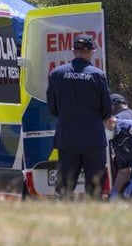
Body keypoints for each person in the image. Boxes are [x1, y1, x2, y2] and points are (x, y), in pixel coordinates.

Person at [46, 34, 114, 200]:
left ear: (73, 51)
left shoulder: (56, 74)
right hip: (93, 138)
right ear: (92, 52)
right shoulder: (98, 75)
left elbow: (52, 107)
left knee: (64, 185)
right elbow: (106, 110)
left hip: (67, 137)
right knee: (95, 186)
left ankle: (60, 218)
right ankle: (92, 219)